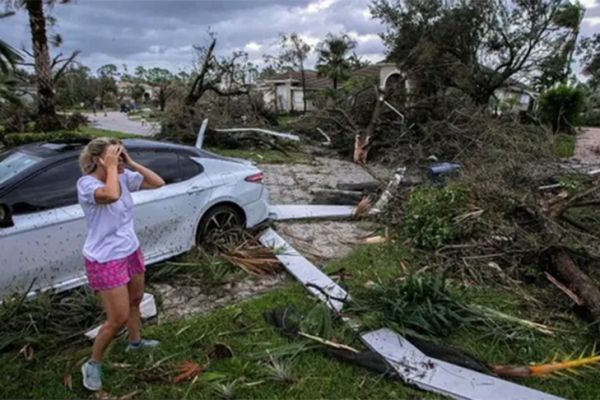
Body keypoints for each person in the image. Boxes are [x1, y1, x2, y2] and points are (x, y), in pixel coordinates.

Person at [77, 138, 165, 391]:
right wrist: (113, 168)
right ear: (97, 160)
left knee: (136, 300)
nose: (119, 158)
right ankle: (93, 363)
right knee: (117, 318)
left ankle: (135, 342)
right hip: (105, 258)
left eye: (120, 153)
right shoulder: (86, 184)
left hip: (130, 249)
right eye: (113, 155)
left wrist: (129, 162)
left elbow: (158, 182)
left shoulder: (123, 176)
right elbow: (111, 195)